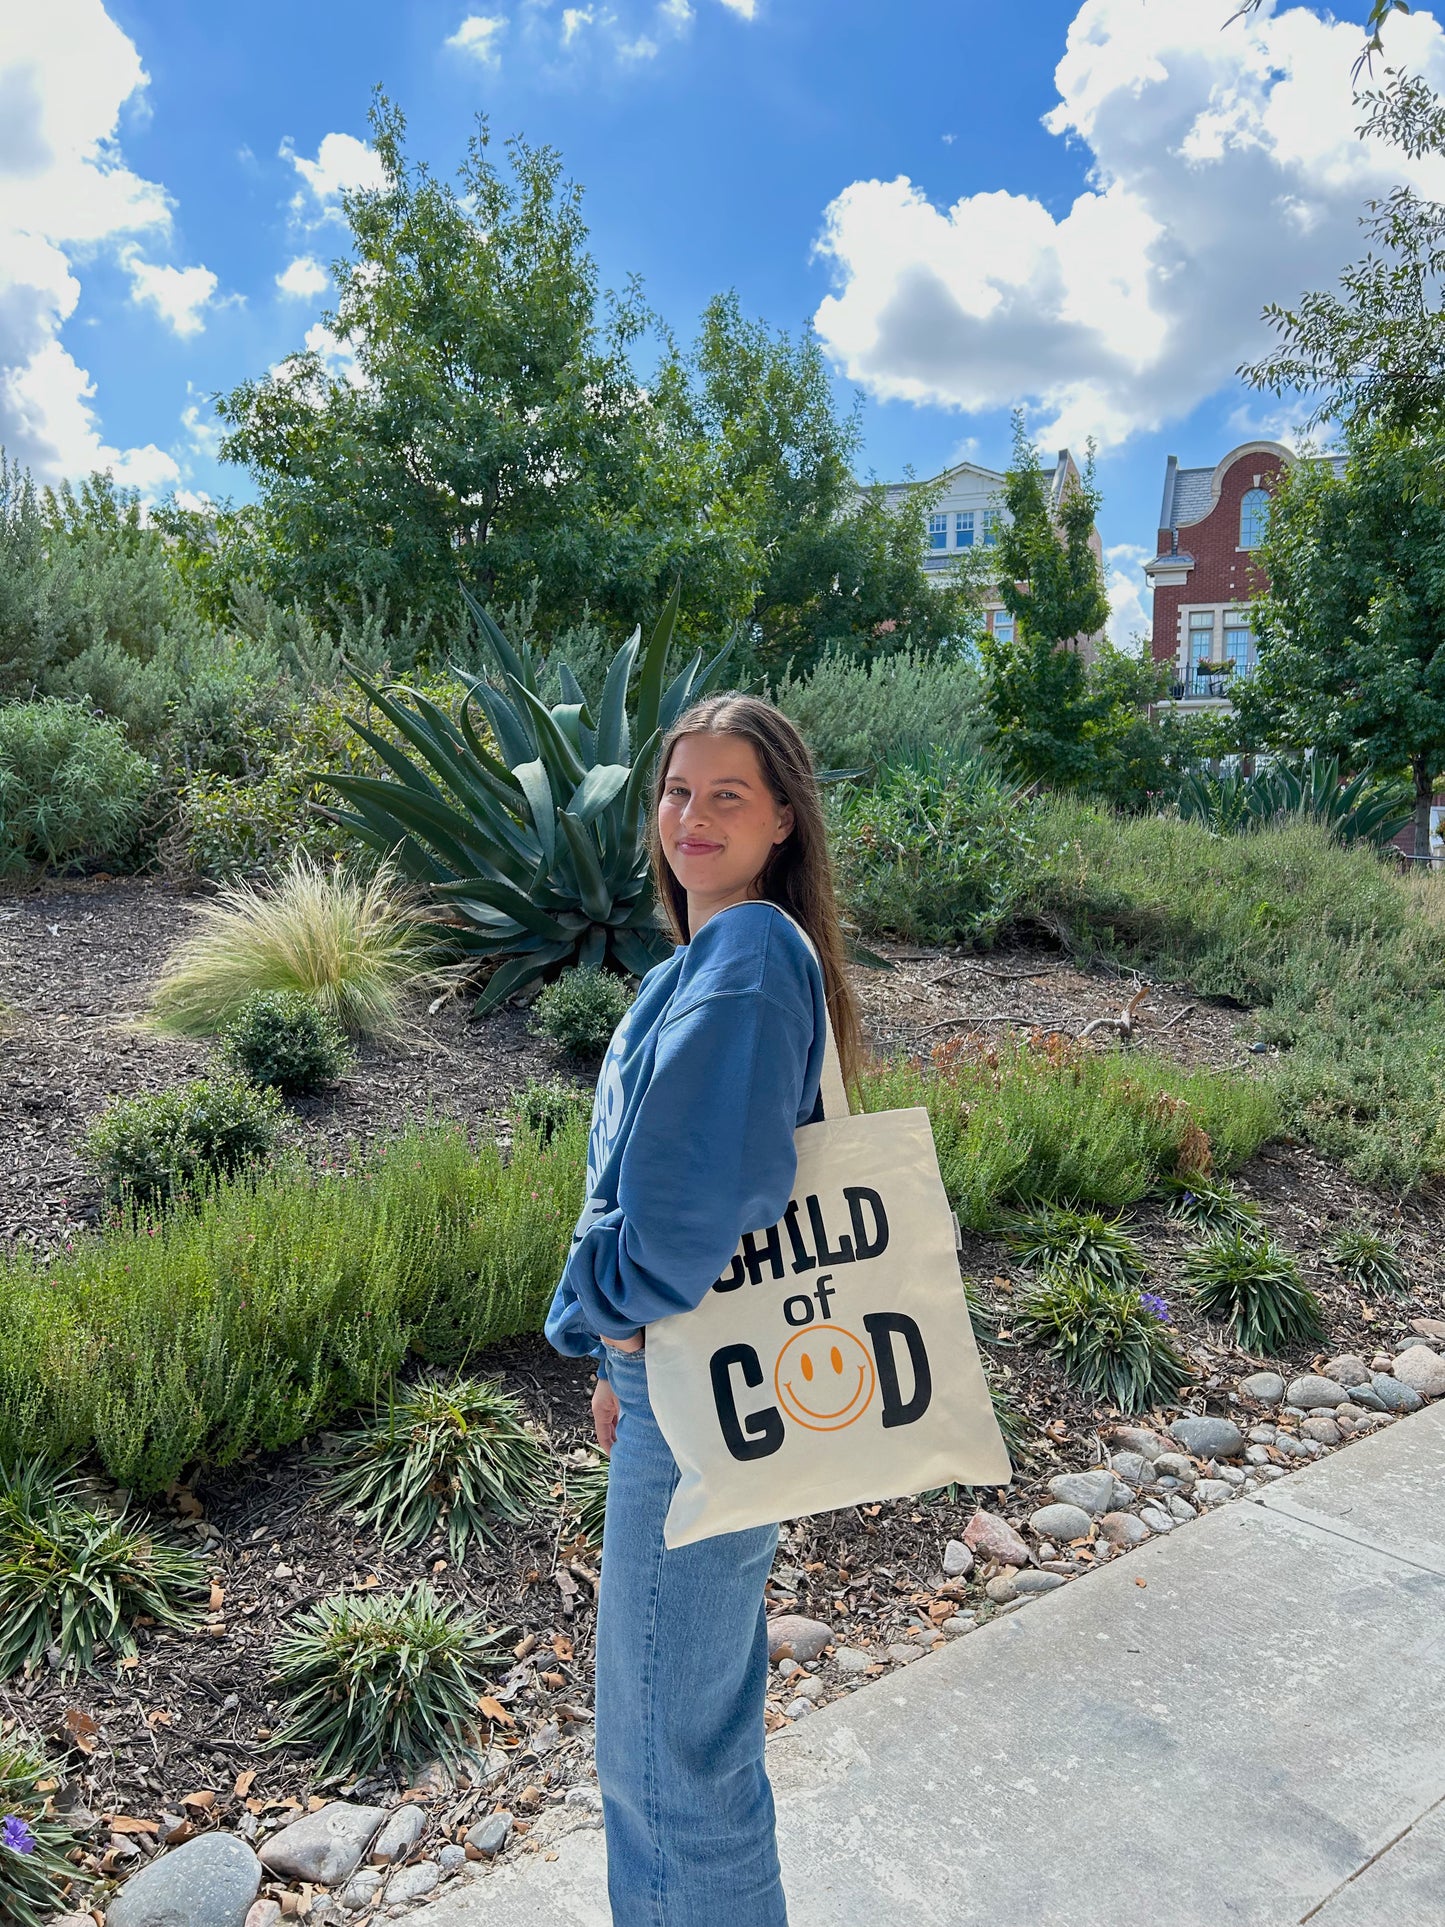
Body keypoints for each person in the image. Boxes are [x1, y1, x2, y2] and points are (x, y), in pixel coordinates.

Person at [544, 691, 864, 1927]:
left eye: (727, 794)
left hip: (687, 1383)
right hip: (683, 1379)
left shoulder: (745, 952)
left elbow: (694, 1195)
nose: (691, 816)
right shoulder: (714, 956)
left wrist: (612, 1314)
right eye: (677, 792)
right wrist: (616, 1365)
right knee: (678, 1736)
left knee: (668, 1756)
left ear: (781, 818)